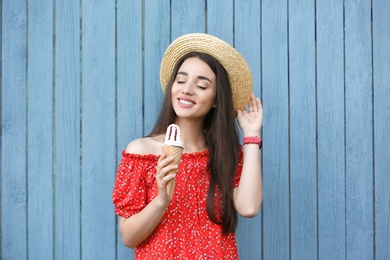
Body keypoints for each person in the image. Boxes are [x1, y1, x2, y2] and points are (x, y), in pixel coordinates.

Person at [112, 33, 263, 259]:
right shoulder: (141, 152)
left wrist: (251, 136)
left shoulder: (224, 156)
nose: (187, 89)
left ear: (216, 101)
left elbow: (248, 208)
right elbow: (128, 237)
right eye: (180, 81)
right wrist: (162, 199)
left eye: (201, 85)